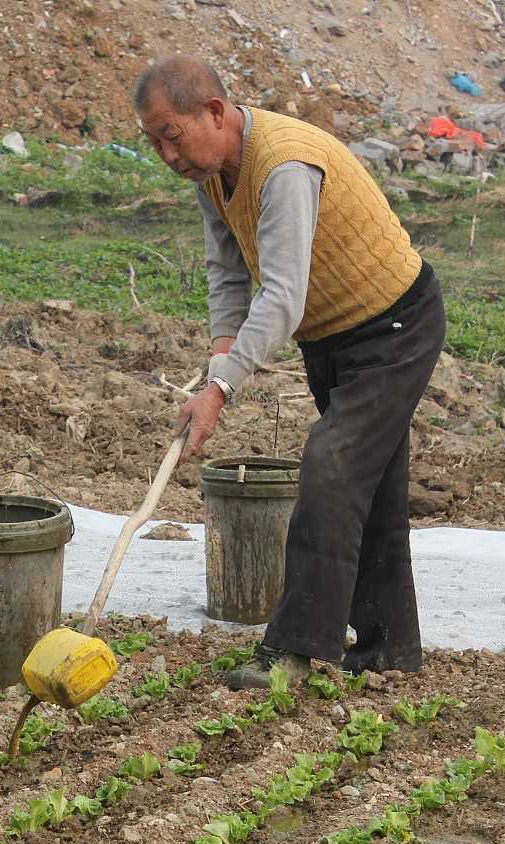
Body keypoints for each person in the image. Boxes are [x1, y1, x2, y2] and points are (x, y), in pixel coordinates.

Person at [133, 55, 446, 689]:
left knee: (331, 467)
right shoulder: (212, 174)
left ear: (214, 113)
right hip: (331, 339)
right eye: (154, 142)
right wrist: (220, 362)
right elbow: (228, 276)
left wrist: (221, 389)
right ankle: (388, 650)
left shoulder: (284, 166)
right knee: (372, 484)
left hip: (393, 325)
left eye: (172, 135)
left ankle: (295, 650)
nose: (167, 155)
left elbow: (280, 295)